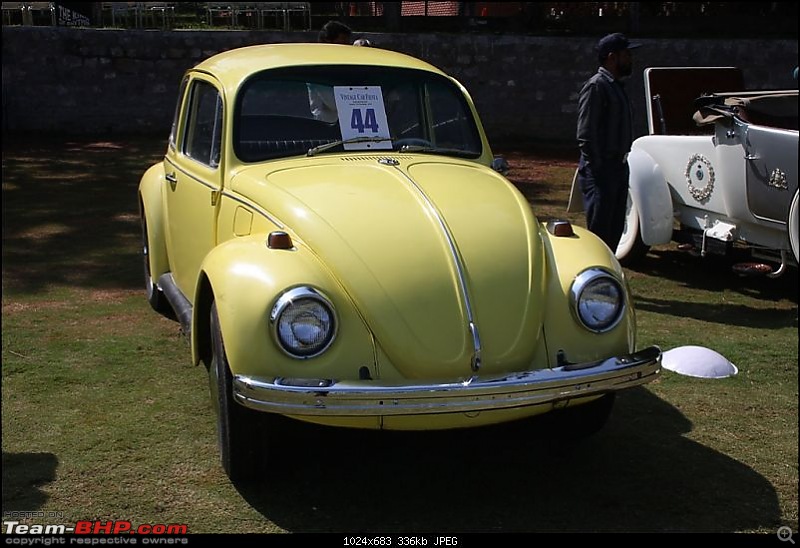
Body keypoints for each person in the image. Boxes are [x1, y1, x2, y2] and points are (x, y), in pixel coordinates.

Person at [575, 32, 642, 252]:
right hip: (602, 171)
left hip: (618, 167)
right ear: (612, 57)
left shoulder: (616, 86)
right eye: (626, 54)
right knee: (599, 236)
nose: (630, 59)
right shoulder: (597, 86)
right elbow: (586, 133)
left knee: (613, 233)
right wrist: (600, 167)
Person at [308, 21, 354, 122]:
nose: (347, 47)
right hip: (327, 127)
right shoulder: (318, 68)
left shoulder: (346, 65)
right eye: (343, 42)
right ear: (328, 42)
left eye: (348, 43)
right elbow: (334, 103)